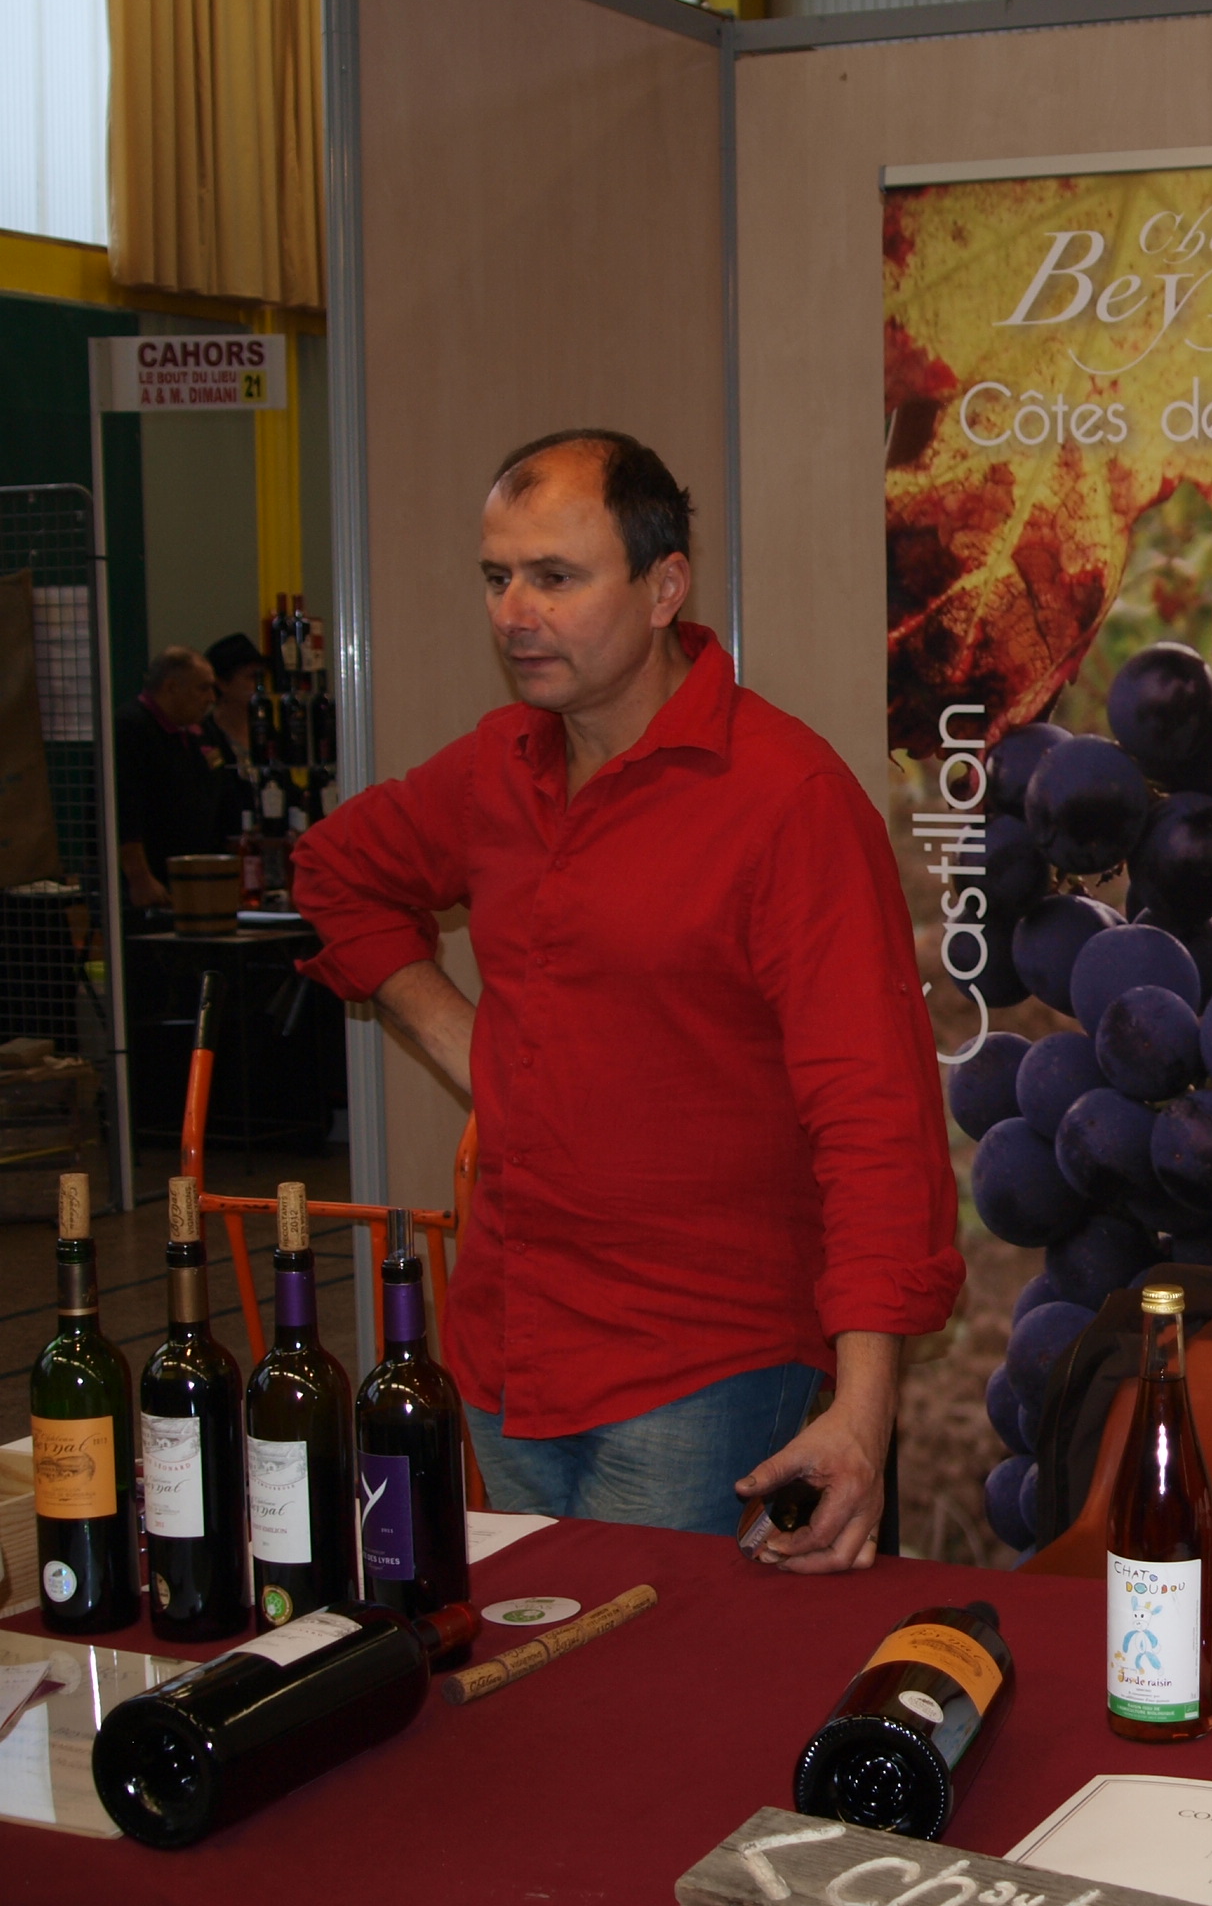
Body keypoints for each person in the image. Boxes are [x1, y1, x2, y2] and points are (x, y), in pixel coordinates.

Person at [291, 429, 962, 1572]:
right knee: (541, 1648)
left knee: (657, 1665)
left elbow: (874, 1117)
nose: (515, 613)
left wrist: (862, 1406)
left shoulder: (784, 798)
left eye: (555, 577)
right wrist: (466, 1043)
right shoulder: (497, 768)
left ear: (663, 588)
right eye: (497, 577)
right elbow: (335, 874)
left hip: (701, 1365)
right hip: (510, 1348)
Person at [112, 645, 223, 910]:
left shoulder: (202, 730)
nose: (211, 698)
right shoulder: (130, 727)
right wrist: (140, 878)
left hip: (196, 876)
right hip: (150, 882)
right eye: (203, 688)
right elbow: (123, 811)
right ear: (171, 687)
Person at [202, 632, 268, 836]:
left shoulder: (267, 731)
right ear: (222, 683)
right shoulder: (205, 735)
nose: (260, 686)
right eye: (251, 678)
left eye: (262, 677)